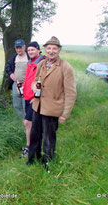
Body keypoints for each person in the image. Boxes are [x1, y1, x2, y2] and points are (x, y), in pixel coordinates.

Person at [27, 36, 77, 171]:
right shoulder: (41, 64)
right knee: (35, 134)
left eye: (54, 48)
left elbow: (71, 93)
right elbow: (34, 81)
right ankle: (32, 159)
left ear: (59, 50)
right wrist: (33, 87)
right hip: (37, 106)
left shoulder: (65, 67)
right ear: (45, 49)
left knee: (49, 138)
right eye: (48, 48)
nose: (51, 51)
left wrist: (64, 115)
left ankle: (47, 163)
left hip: (53, 109)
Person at [20, 41, 46, 158]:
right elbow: (29, 79)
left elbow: (43, 81)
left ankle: (29, 147)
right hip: (27, 96)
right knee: (31, 123)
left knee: (28, 122)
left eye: (32, 50)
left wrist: (37, 97)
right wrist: (23, 86)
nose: (30, 52)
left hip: (34, 98)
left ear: (38, 50)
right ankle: (32, 146)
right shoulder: (30, 63)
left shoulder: (42, 62)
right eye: (29, 50)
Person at [5, 39, 29, 119]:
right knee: (16, 105)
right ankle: (22, 121)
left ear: (24, 47)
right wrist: (11, 73)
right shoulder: (14, 57)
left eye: (20, 47)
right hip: (16, 84)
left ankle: (28, 122)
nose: (18, 49)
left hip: (27, 84)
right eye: (17, 48)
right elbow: (7, 66)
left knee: (26, 105)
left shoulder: (29, 56)